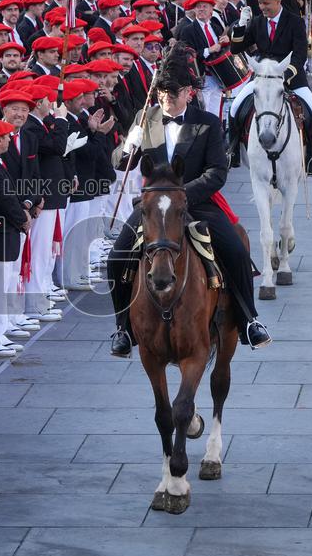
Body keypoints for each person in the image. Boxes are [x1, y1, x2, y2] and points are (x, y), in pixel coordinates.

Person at [108, 47, 271, 357]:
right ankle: (122, 328)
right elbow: (120, 163)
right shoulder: (145, 118)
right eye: (162, 91)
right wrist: (127, 147)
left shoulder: (207, 123)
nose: (167, 96)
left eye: (173, 91)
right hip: (154, 208)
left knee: (236, 250)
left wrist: (182, 196)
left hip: (196, 202)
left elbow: (216, 173)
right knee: (116, 257)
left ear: (188, 92)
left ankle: (249, 319)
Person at [229, 0, 312, 177]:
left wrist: (285, 75)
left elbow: (300, 55)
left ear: (278, 0)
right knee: (235, 107)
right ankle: (232, 151)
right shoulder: (257, 22)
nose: (262, 7)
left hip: (291, 76)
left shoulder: (295, 22)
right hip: (263, 77)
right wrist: (240, 25)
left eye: (266, 3)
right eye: (260, 4)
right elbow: (235, 48)